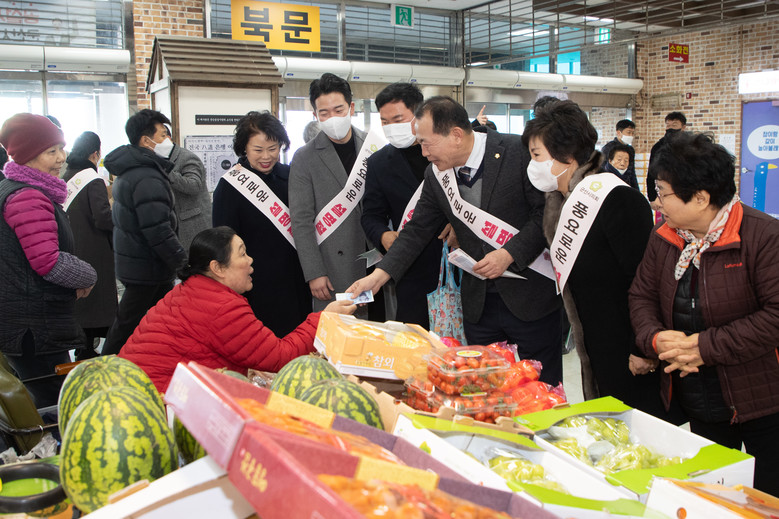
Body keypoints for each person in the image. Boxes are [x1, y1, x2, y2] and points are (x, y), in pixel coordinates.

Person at [348, 96, 564, 385]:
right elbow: (417, 230)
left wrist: (509, 253)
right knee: (485, 389)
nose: (423, 153)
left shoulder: (517, 152)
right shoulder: (436, 174)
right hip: (479, 306)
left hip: (531, 298)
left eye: (427, 143)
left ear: (456, 135)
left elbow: (545, 215)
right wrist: (378, 276)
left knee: (543, 389)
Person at [629, 132, 779, 495]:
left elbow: (775, 316)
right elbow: (641, 295)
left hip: (762, 399)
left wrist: (704, 347)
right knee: (712, 494)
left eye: (664, 192)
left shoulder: (764, 236)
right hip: (698, 397)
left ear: (701, 198)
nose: (657, 201)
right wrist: (654, 338)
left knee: (767, 496)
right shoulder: (664, 235)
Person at [521, 100, 670, 417]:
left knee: (633, 428)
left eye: (537, 155)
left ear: (567, 155)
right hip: (592, 341)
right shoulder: (557, 202)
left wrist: (642, 346)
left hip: (625, 346)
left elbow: (645, 281)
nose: (531, 164)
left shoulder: (617, 199)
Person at [119, 226, 356, 393]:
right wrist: (325, 319)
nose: (250, 260)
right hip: (158, 402)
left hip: (130, 387)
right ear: (218, 268)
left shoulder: (190, 290)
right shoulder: (221, 307)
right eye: (242, 253)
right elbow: (282, 357)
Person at [0, 114, 97, 407]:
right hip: (33, 324)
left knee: (48, 397)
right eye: (50, 151)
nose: (61, 158)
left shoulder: (20, 189)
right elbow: (47, 261)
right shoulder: (28, 197)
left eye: (61, 148)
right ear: (26, 156)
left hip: (28, 320)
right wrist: (88, 275)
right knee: (56, 404)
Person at [212, 111, 311, 337]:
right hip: (256, 282)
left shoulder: (291, 175)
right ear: (244, 149)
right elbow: (223, 242)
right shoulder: (230, 186)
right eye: (258, 150)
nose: (266, 156)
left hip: (295, 279)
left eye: (273, 148)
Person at [361, 82, 448, 328]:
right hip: (412, 267)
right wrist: (383, 235)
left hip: (454, 263)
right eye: (385, 122)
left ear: (418, 114)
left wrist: (458, 224)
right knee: (413, 338)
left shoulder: (444, 151)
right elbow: (371, 215)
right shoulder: (379, 163)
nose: (391, 127)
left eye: (398, 119)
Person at [102, 109, 187, 355]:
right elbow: (157, 229)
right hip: (147, 267)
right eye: (162, 135)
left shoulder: (133, 170)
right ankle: (103, 368)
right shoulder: (147, 176)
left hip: (140, 264)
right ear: (146, 140)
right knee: (127, 326)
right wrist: (182, 263)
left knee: (154, 324)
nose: (168, 140)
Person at [289, 73, 373, 313]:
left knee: (376, 327)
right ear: (315, 115)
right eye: (324, 113)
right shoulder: (304, 157)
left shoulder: (372, 146)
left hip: (374, 259)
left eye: (339, 110)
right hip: (333, 264)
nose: (332, 118)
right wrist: (314, 272)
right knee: (341, 327)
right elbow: (301, 220)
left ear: (351, 108)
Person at [62, 131, 116, 359]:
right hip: (95, 249)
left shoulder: (66, 176)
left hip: (71, 245)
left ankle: (81, 346)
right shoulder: (92, 179)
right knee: (97, 301)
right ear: (95, 153)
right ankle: (90, 349)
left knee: (79, 302)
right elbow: (102, 218)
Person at [166, 127, 212, 250]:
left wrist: (167, 171)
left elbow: (194, 185)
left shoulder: (186, 157)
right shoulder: (157, 160)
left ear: (168, 138)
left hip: (192, 228)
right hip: (171, 226)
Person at [648, 111, 687, 208]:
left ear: (683, 127)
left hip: (685, 194)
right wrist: (652, 197)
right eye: (668, 125)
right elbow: (651, 174)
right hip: (665, 194)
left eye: (674, 125)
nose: (670, 128)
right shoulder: (658, 147)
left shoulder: (689, 146)